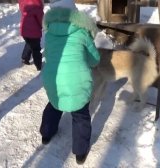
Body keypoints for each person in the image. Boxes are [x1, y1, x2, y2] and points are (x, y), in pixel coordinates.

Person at [40, 0, 100, 165]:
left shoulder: (49, 33)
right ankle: (80, 152)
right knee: (80, 115)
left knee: (54, 104)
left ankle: (46, 133)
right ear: (75, 15)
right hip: (77, 81)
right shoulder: (82, 32)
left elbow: (49, 55)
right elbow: (95, 59)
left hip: (53, 79)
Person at [18, 0, 44, 70]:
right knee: (36, 49)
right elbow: (40, 18)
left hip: (24, 28)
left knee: (29, 43)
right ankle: (38, 65)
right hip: (33, 31)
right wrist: (43, 25)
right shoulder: (36, 3)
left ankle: (25, 58)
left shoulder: (23, 1)